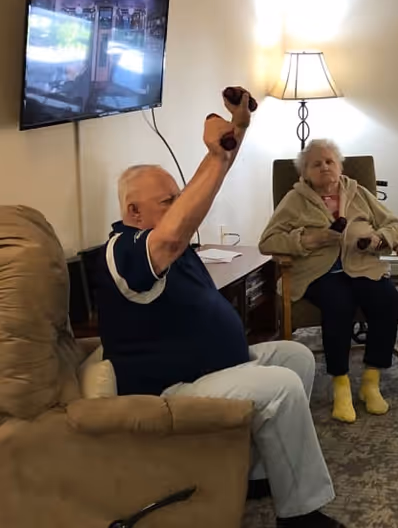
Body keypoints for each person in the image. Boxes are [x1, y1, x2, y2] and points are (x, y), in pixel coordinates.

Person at [92, 89, 345, 528]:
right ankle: (301, 515)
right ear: (133, 211)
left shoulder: (166, 244)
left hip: (211, 369)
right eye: (169, 201)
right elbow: (170, 236)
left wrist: (238, 132)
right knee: (282, 385)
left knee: (294, 356)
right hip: (171, 390)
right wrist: (217, 152)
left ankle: (262, 476)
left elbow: (189, 210)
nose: (182, 208)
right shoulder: (123, 251)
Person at [259, 139, 398, 424]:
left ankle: (371, 382)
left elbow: (395, 225)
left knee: (388, 300)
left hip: (361, 265)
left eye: (330, 162)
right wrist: (307, 239)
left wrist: (379, 239)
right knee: (339, 304)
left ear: (339, 166)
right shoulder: (295, 199)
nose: (324, 167)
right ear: (305, 172)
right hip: (318, 272)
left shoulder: (357, 191)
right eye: (317, 163)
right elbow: (267, 241)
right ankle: (341, 384)